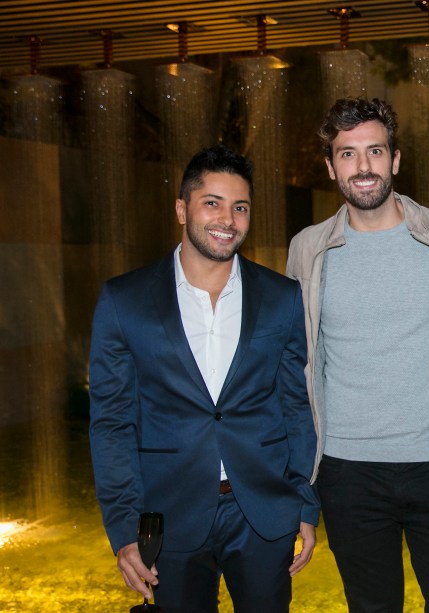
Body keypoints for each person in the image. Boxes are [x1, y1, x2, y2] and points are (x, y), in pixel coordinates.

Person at [89, 145, 320, 613]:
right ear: (182, 208)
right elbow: (111, 422)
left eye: (240, 207)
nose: (227, 219)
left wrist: (304, 504)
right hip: (168, 514)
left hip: (260, 512)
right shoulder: (123, 300)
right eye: (212, 202)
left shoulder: (281, 297)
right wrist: (122, 527)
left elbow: (296, 406)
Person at [286, 97, 429, 612]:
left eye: (374, 151)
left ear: (395, 159)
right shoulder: (307, 249)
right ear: (329, 166)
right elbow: (297, 363)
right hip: (348, 471)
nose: (362, 167)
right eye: (347, 154)